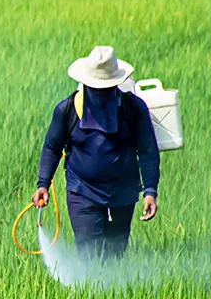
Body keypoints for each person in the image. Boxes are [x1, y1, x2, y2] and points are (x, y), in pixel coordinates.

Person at [33, 45, 160, 261]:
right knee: (88, 254)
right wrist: (43, 184)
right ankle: (91, 293)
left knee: (115, 255)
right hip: (83, 190)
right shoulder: (67, 110)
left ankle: (110, 294)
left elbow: (148, 150)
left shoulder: (133, 109)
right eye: (95, 87)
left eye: (106, 87)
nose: (100, 93)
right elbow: (52, 148)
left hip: (123, 191)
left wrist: (150, 191)